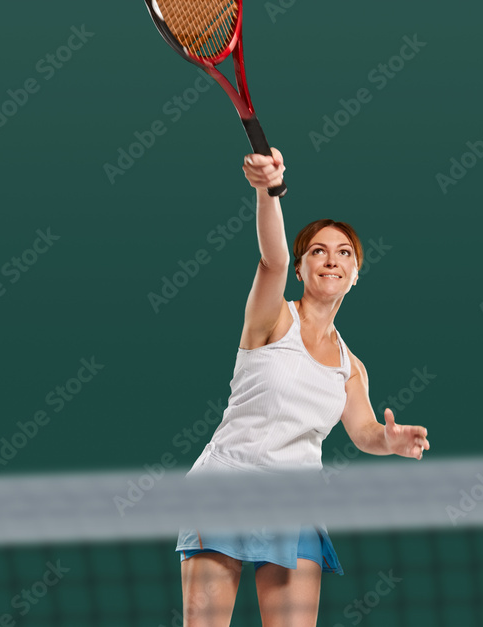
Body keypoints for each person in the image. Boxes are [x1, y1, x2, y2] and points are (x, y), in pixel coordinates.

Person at [175, 147, 430, 627]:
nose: (331, 261)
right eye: (318, 251)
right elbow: (269, 260)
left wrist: (389, 440)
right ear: (300, 268)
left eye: (344, 253)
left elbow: (364, 431)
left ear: (355, 275)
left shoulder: (351, 366)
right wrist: (267, 191)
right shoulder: (272, 317)